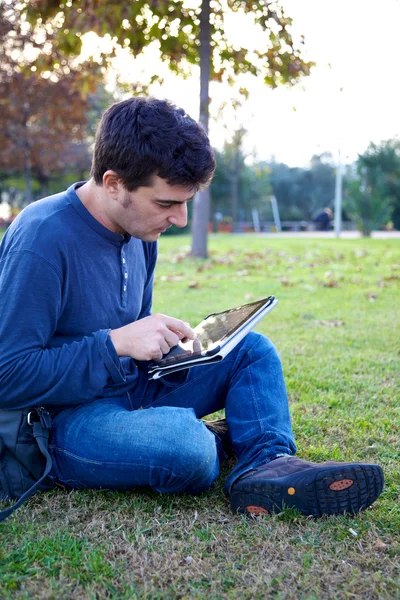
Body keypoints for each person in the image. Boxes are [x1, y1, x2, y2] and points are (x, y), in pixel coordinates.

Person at [0, 97, 383, 518]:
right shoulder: (41, 240)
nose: (180, 219)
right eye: (166, 204)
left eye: (186, 202)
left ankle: (265, 466)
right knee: (188, 448)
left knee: (252, 351)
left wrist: (167, 352)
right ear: (113, 184)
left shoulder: (139, 232)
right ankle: (228, 437)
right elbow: (9, 375)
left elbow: (128, 339)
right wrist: (114, 344)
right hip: (64, 421)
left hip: (131, 387)